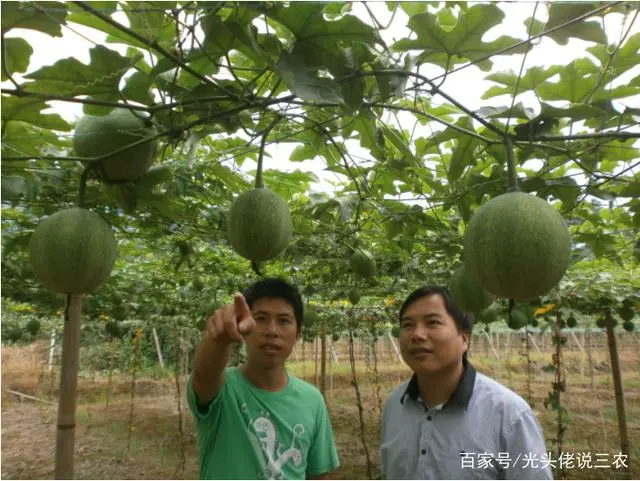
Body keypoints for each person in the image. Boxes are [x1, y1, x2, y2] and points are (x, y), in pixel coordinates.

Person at [380, 285, 553, 480]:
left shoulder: (509, 414)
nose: (417, 335)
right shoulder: (394, 405)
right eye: (407, 325)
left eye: (432, 322)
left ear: (464, 338)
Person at [188, 277, 340, 480]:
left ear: (297, 334)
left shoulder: (313, 400)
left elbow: (319, 474)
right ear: (244, 324)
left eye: (284, 321)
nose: (272, 331)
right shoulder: (222, 389)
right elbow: (203, 376)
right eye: (260, 318)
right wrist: (219, 340)